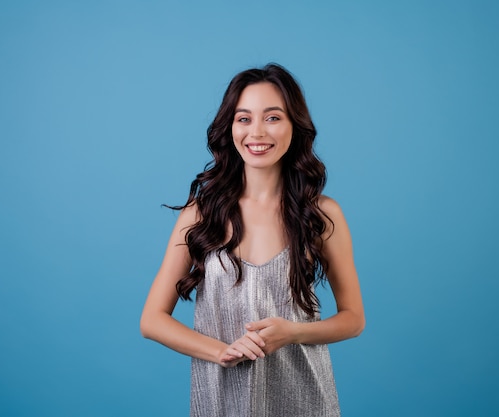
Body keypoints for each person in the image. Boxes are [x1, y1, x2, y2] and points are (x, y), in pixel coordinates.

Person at [140, 63, 365, 417]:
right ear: (230, 128)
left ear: (295, 126)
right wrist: (221, 352)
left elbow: (353, 319)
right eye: (244, 119)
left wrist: (292, 333)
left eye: (273, 118)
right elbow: (152, 320)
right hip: (220, 401)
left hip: (304, 401)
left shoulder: (321, 213)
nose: (256, 132)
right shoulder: (198, 215)